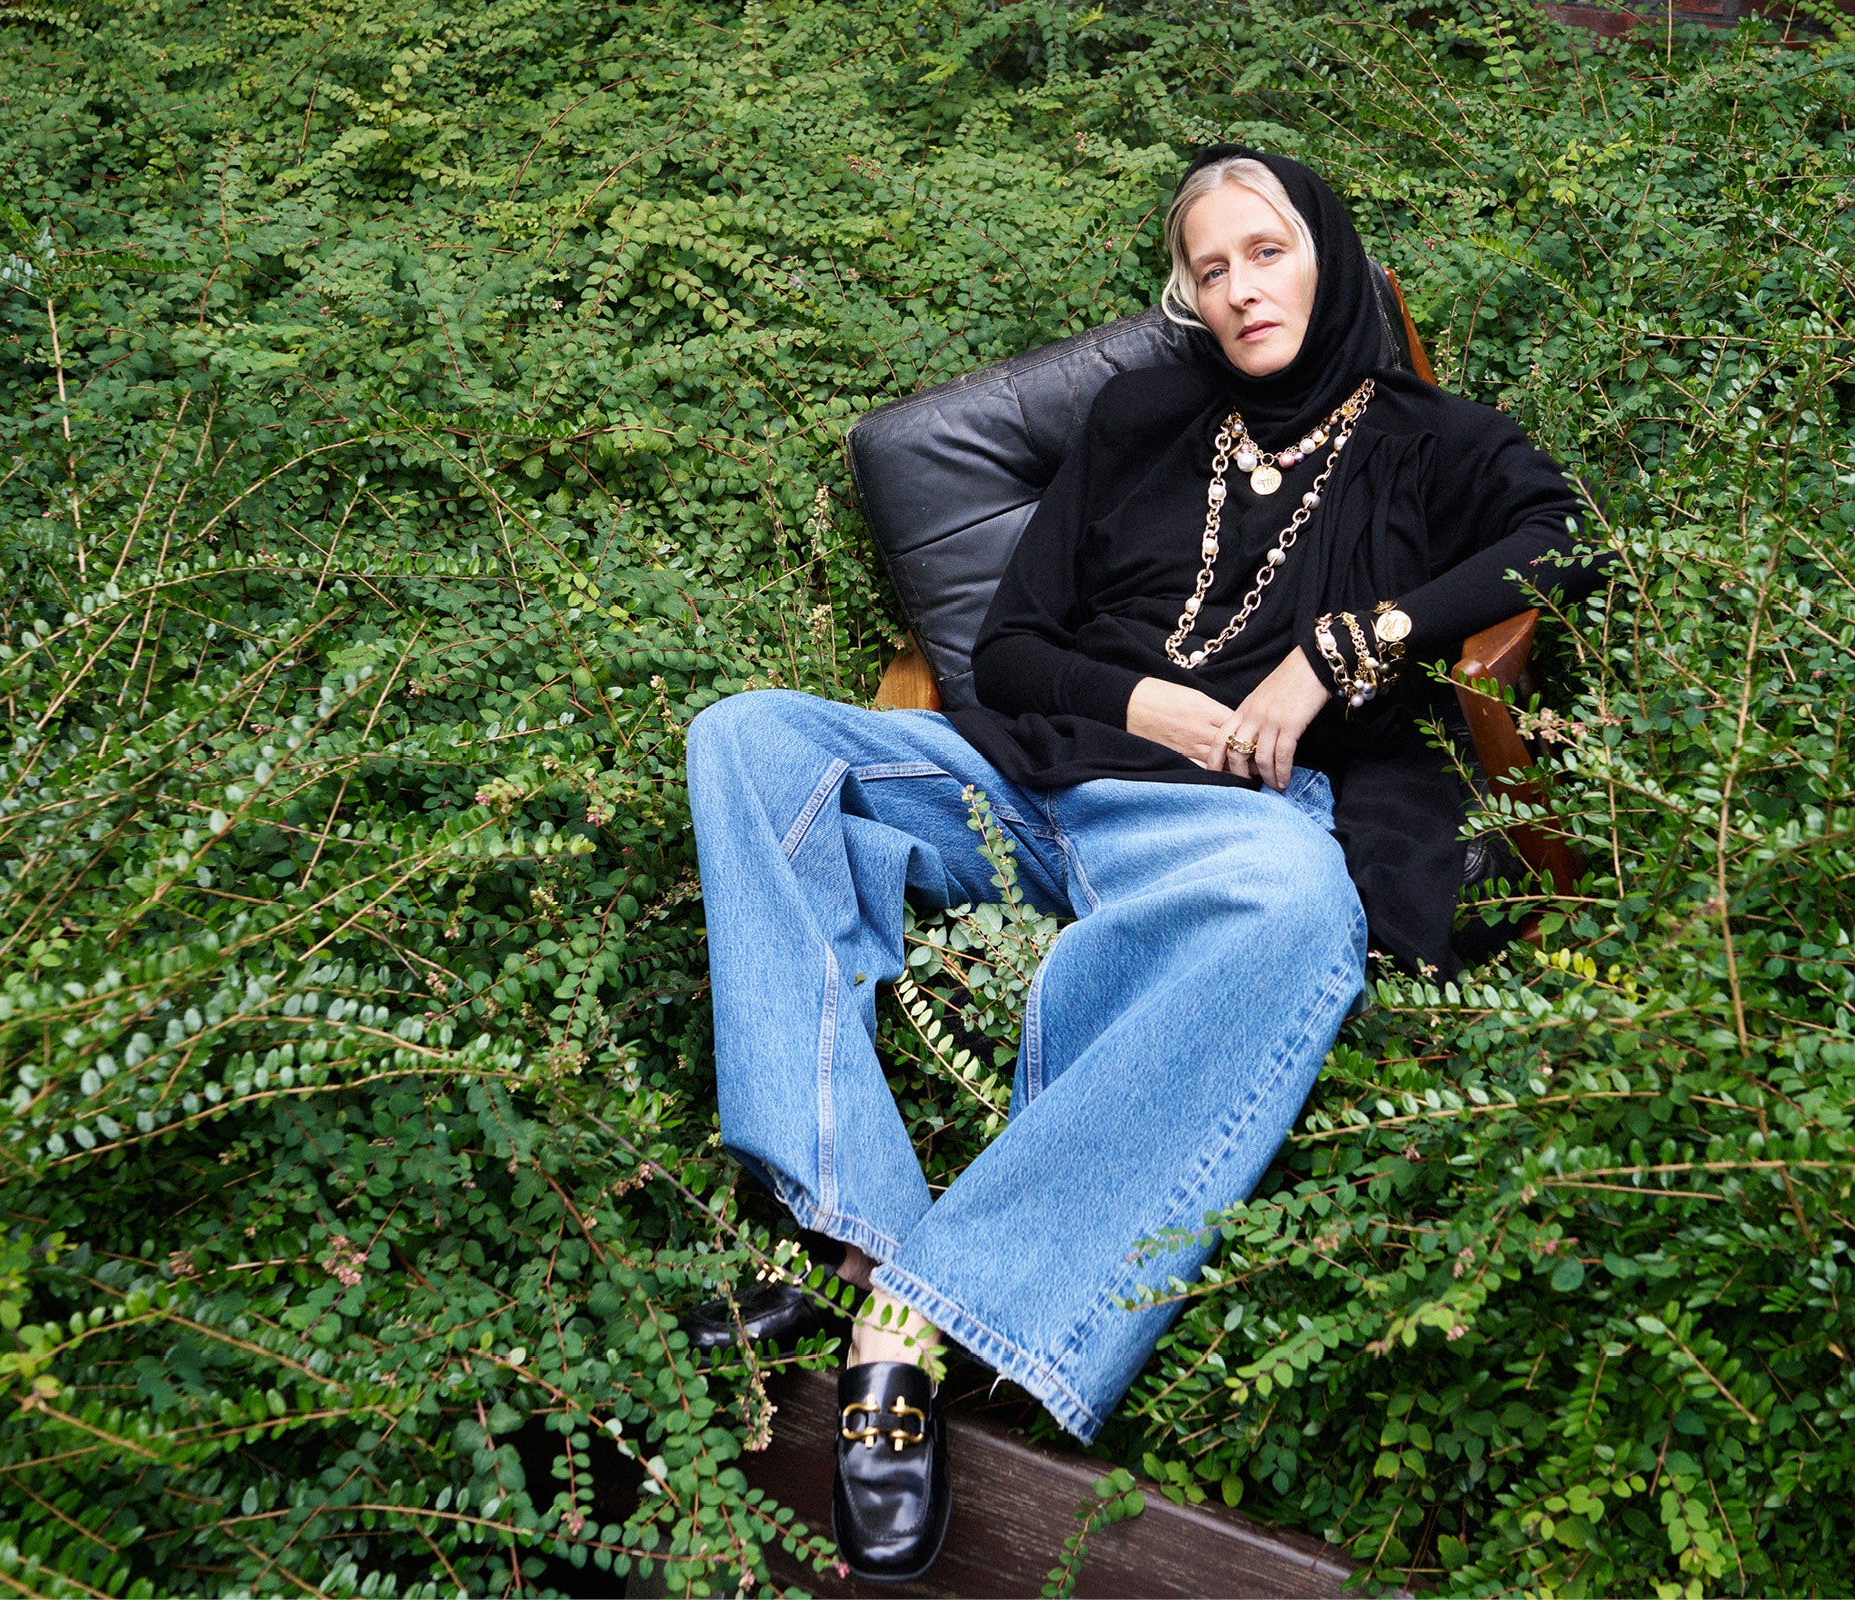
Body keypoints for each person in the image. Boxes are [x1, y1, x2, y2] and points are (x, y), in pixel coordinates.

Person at [682, 145, 1598, 1583]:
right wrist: (1143, 701)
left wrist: (1347, 648)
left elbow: (1567, 533)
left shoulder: (1431, 442)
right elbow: (1012, 651)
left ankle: (906, 1322)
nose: (1242, 290)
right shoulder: (1143, 420)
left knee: (1297, 902)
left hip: (1220, 818)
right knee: (749, 739)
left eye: (1267, 252)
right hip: (1027, 778)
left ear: (1329, 254)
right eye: (1210, 269)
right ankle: (849, 1217)